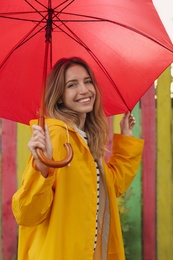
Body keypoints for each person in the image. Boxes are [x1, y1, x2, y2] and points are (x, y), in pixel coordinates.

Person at [12, 57, 144, 260]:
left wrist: (126, 137)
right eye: (72, 85)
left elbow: (111, 187)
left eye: (88, 81)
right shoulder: (55, 136)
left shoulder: (85, 140)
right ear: (59, 96)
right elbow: (27, 214)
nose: (84, 90)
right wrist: (42, 168)